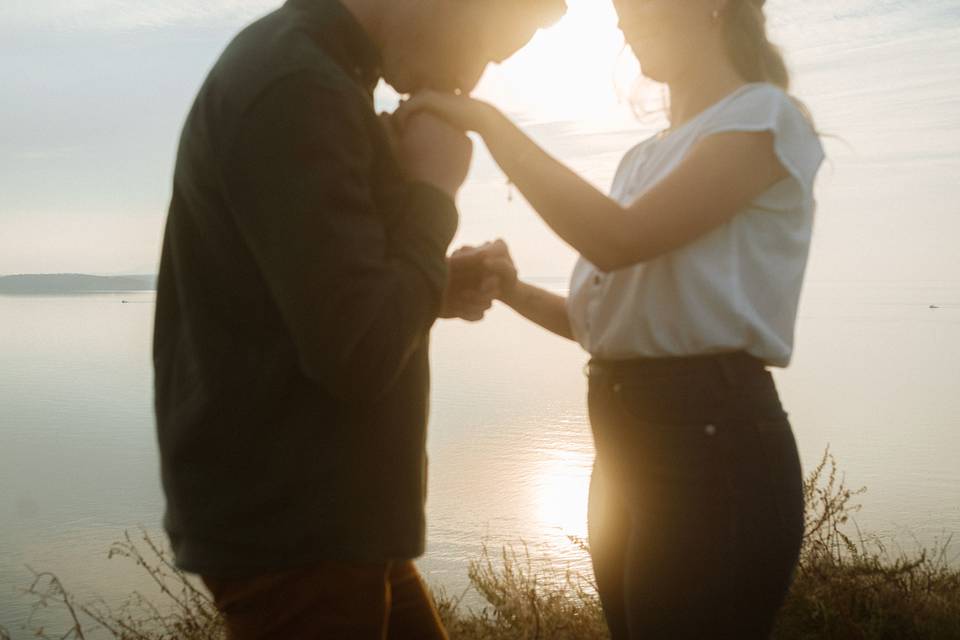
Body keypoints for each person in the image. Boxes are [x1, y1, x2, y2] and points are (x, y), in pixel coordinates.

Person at [398, 0, 825, 637]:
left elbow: (617, 239)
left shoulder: (766, 118)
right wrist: (513, 291)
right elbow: (608, 327)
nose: (623, 19)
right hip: (625, 444)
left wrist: (486, 121)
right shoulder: (642, 158)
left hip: (713, 448)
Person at [152, 0, 566, 637]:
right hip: (301, 532)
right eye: (485, 46)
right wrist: (433, 195)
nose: (472, 79)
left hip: (331, 516)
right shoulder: (300, 88)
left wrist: (433, 282)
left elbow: (317, 304)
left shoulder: (316, 71)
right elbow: (360, 353)